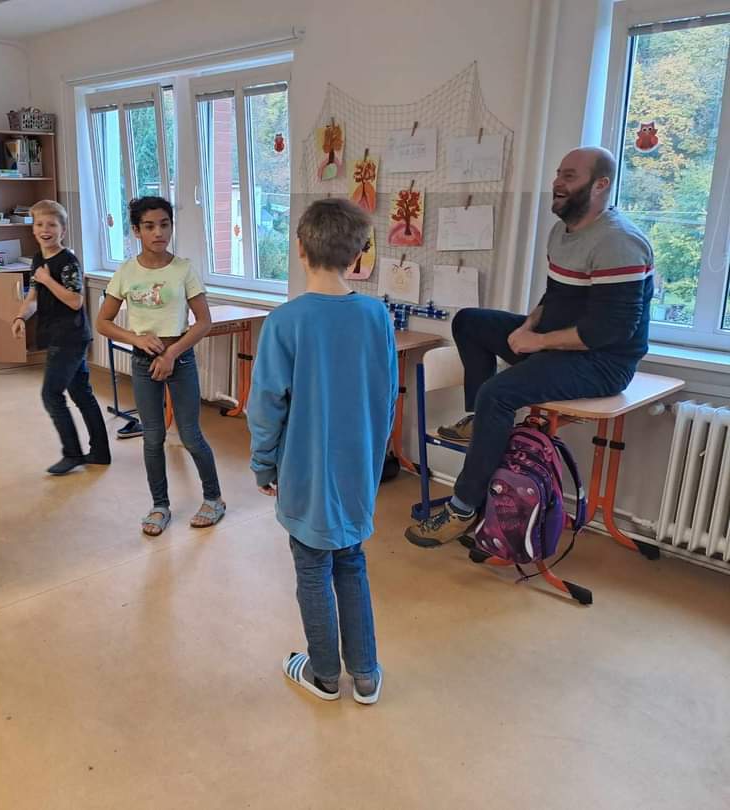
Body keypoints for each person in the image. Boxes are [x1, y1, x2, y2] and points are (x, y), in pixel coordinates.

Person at [405, 146, 654, 547]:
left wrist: (536, 341)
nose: (557, 183)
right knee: (469, 321)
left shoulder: (618, 243)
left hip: (603, 363)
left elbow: (609, 331)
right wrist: (528, 326)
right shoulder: (562, 232)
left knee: (497, 394)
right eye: (558, 173)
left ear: (600, 185)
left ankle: (462, 508)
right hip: (561, 344)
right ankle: (478, 419)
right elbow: (555, 296)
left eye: (569, 176)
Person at [249, 198, 397, 704]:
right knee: (351, 561)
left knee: (312, 567)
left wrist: (263, 464)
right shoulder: (376, 315)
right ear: (358, 255)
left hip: (305, 471)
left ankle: (325, 675)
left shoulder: (285, 321)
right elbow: (386, 396)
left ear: (299, 249)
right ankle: (366, 674)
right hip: (357, 469)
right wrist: (373, 459)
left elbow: (266, 406)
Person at [95, 196, 225, 536]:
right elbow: (103, 322)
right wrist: (136, 339)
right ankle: (160, 505)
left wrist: (172, 354)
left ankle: (213, 499)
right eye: (150, 226)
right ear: (136, 230)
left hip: (180, 359)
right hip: (143, 362)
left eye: (165, 225)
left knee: (190, 435)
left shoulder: (183, 269)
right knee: (152, 437)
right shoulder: (126, 271)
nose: (158, 233)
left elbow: (203, 321)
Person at [12, 200, 110, 475]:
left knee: (51, 394)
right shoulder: (37, 260)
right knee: (81, 393)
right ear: (33, 229)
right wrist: (20, 317)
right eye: (40, 224)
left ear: (63, 230)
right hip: (55, 333)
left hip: (70, 336)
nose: (45, 230)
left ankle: (73, 454)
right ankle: (100, 452)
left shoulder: (68, 262)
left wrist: (47, 280)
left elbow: (75, 301)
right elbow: (33, 297)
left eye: (52, 225)